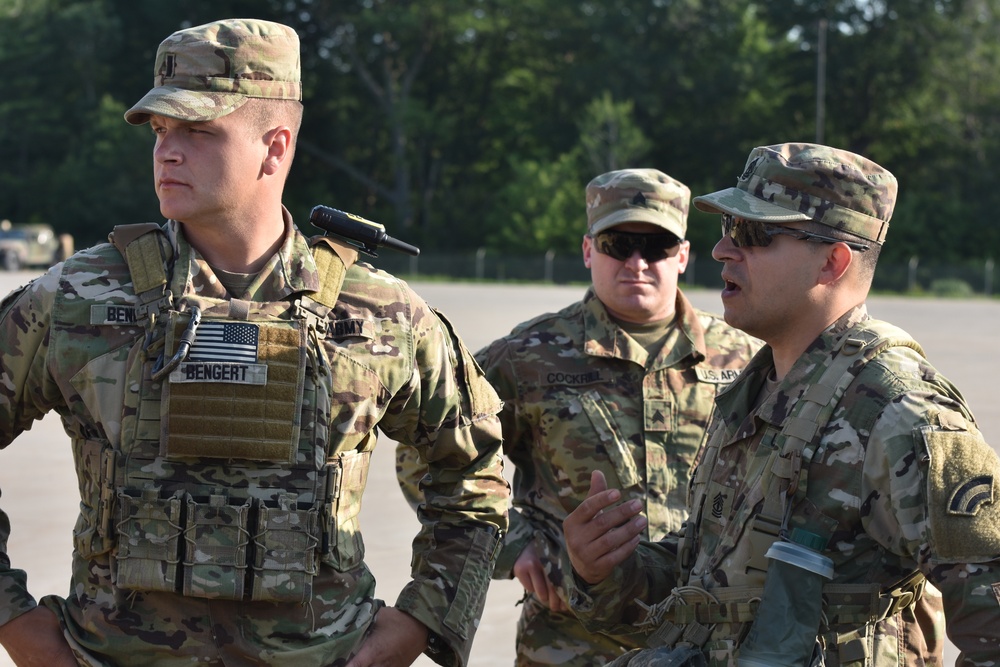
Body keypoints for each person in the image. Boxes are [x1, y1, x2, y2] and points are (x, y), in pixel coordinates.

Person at [0, 18, 509, 667]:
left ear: (275, 147)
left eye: (198, 130)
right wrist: (15, 622)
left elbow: (475, 478)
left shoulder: (381, 312)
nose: (167, 151)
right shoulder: (76, 299)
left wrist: (419, 622)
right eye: (160, 130)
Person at [562, 143, 1000, 666]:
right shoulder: (754, 394)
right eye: (726, 229)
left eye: (752, 234)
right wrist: (604, 567)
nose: (723, 250)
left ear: (832, 262)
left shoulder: (899, 412)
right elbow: (709, 585)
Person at [397, 169, 759, 665]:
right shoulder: (527, 357)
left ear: (682, 256)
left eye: (655, 246)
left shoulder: (747, 360)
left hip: (706, 643)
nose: (637, 262)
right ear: (589, 251)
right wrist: (514, 544)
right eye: (618, 243)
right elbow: (428, 452)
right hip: (569, 644)